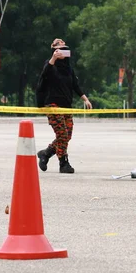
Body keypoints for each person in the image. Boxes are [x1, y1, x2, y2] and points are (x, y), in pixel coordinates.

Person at [36, 38, 92, 174]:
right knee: (62, 134)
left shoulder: (68, 69)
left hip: (66, 105)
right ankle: (63, 163)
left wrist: (85, 99)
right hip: (52, 104)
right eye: (57, 44)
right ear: (53, 49)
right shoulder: (50, 65)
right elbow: (44, 75)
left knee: (67, 135)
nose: (61, 44)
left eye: (63, 44)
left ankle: (46, 153)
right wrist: (53, 58)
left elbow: (75, 85)